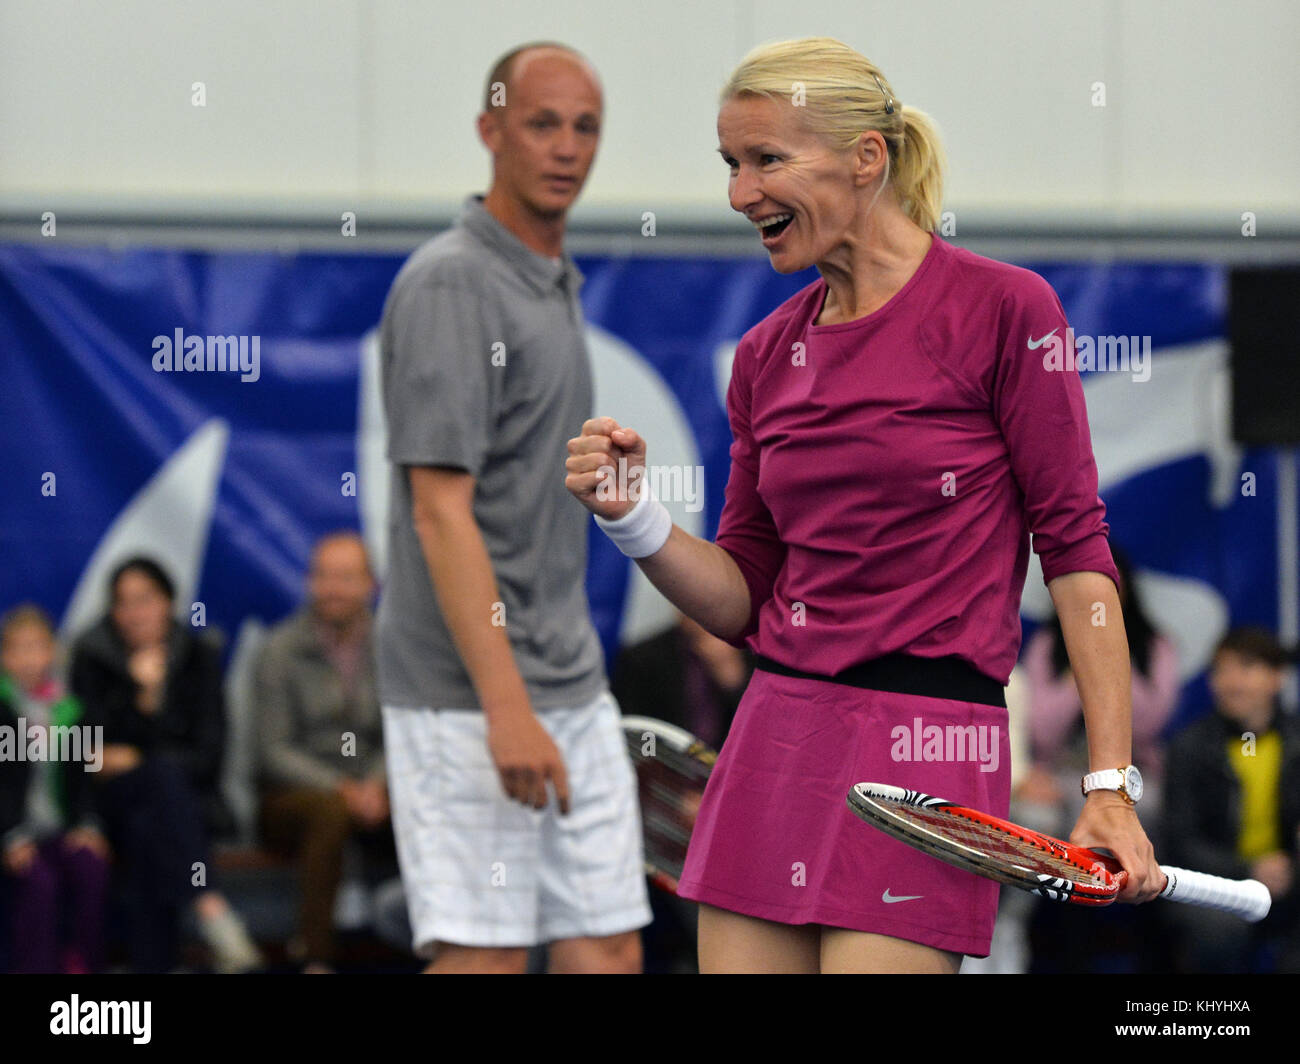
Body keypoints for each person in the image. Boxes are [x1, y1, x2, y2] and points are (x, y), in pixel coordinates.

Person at [566, 36, 1162, 974]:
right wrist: (632, 519)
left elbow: (1078, 554)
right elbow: (743, 597)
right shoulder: (765, 356)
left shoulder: (1009, 311)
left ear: (866, 158)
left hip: (927, 755)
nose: (739, 193)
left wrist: (1111, 785)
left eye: (767, 159)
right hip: (775, 736)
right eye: (731, 164)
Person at [375, 41, 651, 973]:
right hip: (467, 696)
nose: (567, 147)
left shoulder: (549, 278)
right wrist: (505, 708)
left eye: (586, 127)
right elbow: (440, 514)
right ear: (490, 130)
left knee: (608, 949)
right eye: (542, 123)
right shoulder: (454, 281)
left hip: (567, 681)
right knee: (482, 960)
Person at [69, 556, 262, 973]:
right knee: (157, 789)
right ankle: (211, 907)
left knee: (151, 818)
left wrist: (141, 739)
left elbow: (208, 758)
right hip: (111, 807)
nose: (134, 613)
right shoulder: (93, 656)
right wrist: (138, 700)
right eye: (123, 603)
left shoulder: (198, 658)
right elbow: (86, 754)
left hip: (182, 806)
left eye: (144, 600)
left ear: (168, 602)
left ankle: (151, 965)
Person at [254, 531, 392, 973]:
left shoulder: (393, 646)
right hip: (293, 796)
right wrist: (342, 788)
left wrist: (375, 783)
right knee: (330, 811)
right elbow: (272, 750)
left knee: (434, 795)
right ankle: (315, 958)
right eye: (323, 576)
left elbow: (404, 729)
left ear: (371, 584)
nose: (333, 588)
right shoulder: (279, 650)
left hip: (374, 788)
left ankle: (442, 941)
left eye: (346, 577)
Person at [1163, 627, 1300, 972]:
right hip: (1215, 887)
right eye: (1221, 669)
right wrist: (1248, 870)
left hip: (1289, 882)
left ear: (1277, 677)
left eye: (1246, 667)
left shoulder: (1295, 742)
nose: (1231, 681)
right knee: (1218, 931)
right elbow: (1180, 842)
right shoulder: (1189, 747)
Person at [0, 604, 109, 973]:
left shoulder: (74, 710)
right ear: (4, 657)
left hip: (60, 831)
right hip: (13, 834)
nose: (29, 657)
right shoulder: (2, 710)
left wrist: (89, 824)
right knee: (39, 884)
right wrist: (10, 835)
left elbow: (87, 776)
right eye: (18, 648)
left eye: (37, 647)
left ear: (53, 652)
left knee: (91, 867)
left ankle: (82, 965)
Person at [611, 611, 753, 751]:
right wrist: (653, 764)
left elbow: (759, 732)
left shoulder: (756, 654)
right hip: (666, 764)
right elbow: (637, 728)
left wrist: (733, 683)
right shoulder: (642, 658)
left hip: (732, 765)